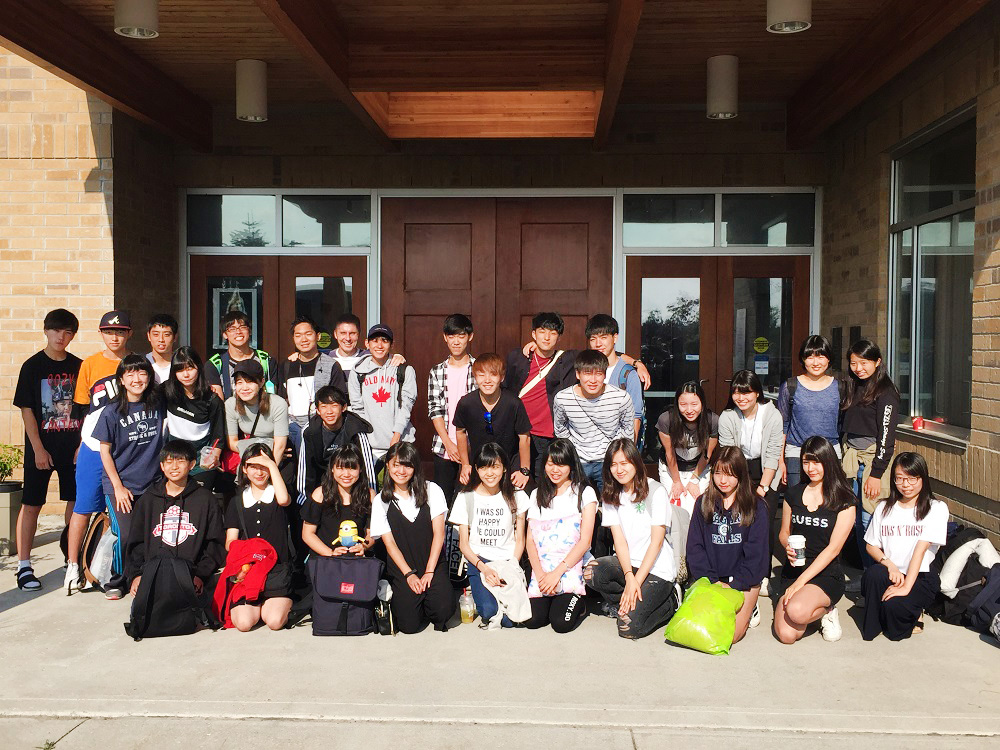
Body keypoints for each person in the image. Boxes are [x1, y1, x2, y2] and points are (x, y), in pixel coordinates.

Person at [504, 312, 648, 482]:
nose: (547, 337)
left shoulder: (569, 359)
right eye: (542, 332)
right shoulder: (519, 357)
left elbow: (605, 353)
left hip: (554, 439)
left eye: (552, 333)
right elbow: (506, 391)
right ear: (534, 334)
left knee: (553, 484)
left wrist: (636, 363)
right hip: (523, 435)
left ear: (559, 337)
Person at [12, 309, 81, 590]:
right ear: (45, 330)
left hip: (72, 447)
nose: (60, 337)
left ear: (73, 336)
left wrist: (81, 446)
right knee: (32, 503)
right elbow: (27, 411)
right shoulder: (32, 366)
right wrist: (38, 449)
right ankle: (24, 566)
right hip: (41, 448)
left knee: (75, 503)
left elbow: (87, 409)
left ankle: (71, 559)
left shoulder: (79, 366)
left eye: (67, 332)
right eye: (55, 330)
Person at [65, 310, 132, 594]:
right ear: (101, 334)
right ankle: (72, 565)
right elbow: (82, 408)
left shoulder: (136, 363)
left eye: (120, 331)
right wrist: (80, 443)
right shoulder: (90, 364)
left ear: (129, 334)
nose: (114, 337)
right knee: (83, 506)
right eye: (108, 332)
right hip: (93, 445)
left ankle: (114, 567)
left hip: (126, 447)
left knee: (123, 509)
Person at [584, 438, 678, 639]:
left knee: (628, 627)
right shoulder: (611, 494)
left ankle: (671, 601)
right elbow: (619, 541)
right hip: (628, 564)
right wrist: (629, 577)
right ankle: (626, 600)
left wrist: (637, 580)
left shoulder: (656, 491)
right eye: (613, 464)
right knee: (591, 572)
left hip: (656, 569)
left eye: (624, 463)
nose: (619, 470)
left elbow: (656, 543)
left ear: (635, 462)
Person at [93, 355, 166, 600]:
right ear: (122, 380)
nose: (137, 379)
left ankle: (144, 575)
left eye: (142, 373)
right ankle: (117, 579)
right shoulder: (111, 411)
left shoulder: (157, 403)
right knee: (124, 534)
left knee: (153, 532)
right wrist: (118, 487)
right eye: (130, 374)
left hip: (152, 483)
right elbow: (104, 451)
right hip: (121, 485)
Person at [773, 437, 856, 644]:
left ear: (828, 461)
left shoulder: (844, 500)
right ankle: (808, 607)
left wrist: (800, 583)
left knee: (797, 612)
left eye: (816, 462)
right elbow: (784, 532)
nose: (811, 468)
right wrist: (787, 545)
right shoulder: (793, 494)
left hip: (825, 573)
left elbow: (833, 549)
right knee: (787, 636)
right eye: (806, 462)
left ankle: (828, 610)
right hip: (795, 568)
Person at [125, 440, 225, 605]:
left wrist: (201, 575)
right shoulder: (148, 500)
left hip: (190, 576)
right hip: (154, 575)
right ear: (162, 466)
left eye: (180, 461)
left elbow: (215, 543)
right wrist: (137, 575)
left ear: (192, 464)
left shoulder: (206, 500)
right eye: (169, 462)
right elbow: (136, 543)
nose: (174, 467)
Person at [861, 452, 949, 641]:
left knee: (894, 611)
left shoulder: (936, 508)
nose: (905, 484)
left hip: (920, 577)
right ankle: (878, 617)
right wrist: (889, 565)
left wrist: (906, 587)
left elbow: (920, 549)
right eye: (900, 478)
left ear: (923, 478)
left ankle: (915, 612)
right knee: (873, 574)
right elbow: (871, 545)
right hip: (891, 573)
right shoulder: (884, 507)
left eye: (912, 478)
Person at [686, 446, 769, 645]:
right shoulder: (703, 502)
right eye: (718, 473)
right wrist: (712, 580)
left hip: (743, 581)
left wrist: (736, 584)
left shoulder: (756, 506)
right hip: (711, 579)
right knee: (701, 629)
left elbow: (757, 554)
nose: (723, 480)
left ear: (741, 474)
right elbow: (695, 548)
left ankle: (751, 605)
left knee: (728, 635)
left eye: (730, 474)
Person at [369, 442, 452, 633]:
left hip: (432, 563)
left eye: (407, 465)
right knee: (409, 626)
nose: (401, 471)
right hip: (402, 568)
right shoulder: (381, 500)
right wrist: (409, 575)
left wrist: (429, 571)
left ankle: (428, 600)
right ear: (388, 466)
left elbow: (439, 534)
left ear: (415, 467)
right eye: (396, 465)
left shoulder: (432, 490)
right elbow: (389, 544)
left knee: (443, 612)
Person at [449, 443, 530, 628]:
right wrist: (484, 569)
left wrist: (512, 566)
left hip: (509, 561)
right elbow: (464, 545)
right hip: (479, 561)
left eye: (495, 467)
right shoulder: (465, 497)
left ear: (504, 468)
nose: (490, 473)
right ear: (476, 469)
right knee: (489, 611)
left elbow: (520, 539)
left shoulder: (517, 496)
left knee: (513, 618)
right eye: (484, 467)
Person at [841, 339, 901, 585]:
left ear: (877, 362)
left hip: (872, 463)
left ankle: (878, 578)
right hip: (852, 459)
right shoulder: (853, 386)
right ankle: (866, 576)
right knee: (856, 521)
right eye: (854, 363)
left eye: (864, 362)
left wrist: (876, 473)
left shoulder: (886, 393)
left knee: (870, 521)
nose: (858, 368)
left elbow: (886, 436)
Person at [717, 370, 783, 588]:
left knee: (763, 524)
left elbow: (773, 453)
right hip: (738, 470)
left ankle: (763, 575)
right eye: (736, 392)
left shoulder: (772, 415)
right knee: (737, 522)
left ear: (757, 393)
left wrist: (763, 487)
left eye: (746, 392)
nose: (741, 397)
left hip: (765, 471)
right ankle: (736, 570)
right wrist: (738, 486)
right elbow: (728, 453)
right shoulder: (728, 416)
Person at [524, 438, 595, 633]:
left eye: (561, 464)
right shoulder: (536, 494)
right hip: (542, 570)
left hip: (570, 569)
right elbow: (530, 540)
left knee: (561, 623)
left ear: (571, 465)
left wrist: (556, 574)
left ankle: (580, 602)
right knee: (533, 620)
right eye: (550, 463)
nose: (555, 470)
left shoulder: (584, 493)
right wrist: (541, 576)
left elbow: (585, 541)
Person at [225, 444, 293, 632]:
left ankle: (271, 605)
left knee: (274, 621)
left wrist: (271, 464)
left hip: (276, 572)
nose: (259, 472)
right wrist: (245, 555)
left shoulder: (279, 493)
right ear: (244, 469)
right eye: (254, 466)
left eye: (264, 466)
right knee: (244, 623)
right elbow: (230, 541)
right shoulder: (236, 501)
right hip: (247, 571)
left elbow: (283, 500)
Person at [552, 349, 634, 491]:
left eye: (599, 374)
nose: (593, 380)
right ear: (578, 374)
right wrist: (573, 451)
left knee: (610, 501)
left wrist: (616, 457)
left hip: (609, 462)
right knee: (579, 502)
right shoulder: (563, 398)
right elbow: (560, 429)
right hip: (578, 462)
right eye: (587, 373)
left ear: (605, 374)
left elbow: (627, 430)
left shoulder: (621, 398)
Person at [455, 353, 531, 491]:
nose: (487, 380)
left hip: (509, 464)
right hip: (478, 463)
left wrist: (524, 470)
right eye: (481, 375)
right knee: (463, 496)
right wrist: (465, 464)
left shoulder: (513, 403)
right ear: (475, 377)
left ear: (502, 377)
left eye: (493, 375)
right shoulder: (466, 403)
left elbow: (524, 437)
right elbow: (460, 432)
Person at [778, 335, 844, 488]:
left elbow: (843, 423)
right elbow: (783, 426)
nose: (815, 363)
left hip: (830, 452)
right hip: (797, 453)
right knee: (797, 498)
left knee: (829, 500)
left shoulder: (840, 387)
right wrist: (780, 461)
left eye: (821, 357)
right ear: (803, 359)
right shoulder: (790, 387)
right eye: (810, 357)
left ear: (829, 359)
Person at [348, 324, 417, 469]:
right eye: (375, 340)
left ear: (392, 344)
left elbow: (406, 406)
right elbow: (357, 407)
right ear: (367, 343)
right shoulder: (358, 371)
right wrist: (365, 438)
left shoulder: (404, 370)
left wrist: (396, 437)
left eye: (384, 341)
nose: (379, 345)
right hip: (370, 446)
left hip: (400, 442)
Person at [277, 315, 347, 454]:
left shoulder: (331, 366)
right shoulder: (287, 365)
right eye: (298, 335)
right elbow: (281, 400)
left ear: (318, 336)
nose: (303, 339)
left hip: (321, 430)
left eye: (308, 334)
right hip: (292, 430)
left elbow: (339, 400)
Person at [297, 386, 377, 502]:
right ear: (318, 410)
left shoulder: (356, 430)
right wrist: (305, 501)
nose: (329, 412)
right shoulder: (310, 431)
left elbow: (367, 467)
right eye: (324, 407)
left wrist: (370, 499)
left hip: (350, 480)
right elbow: (306, 468)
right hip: (323, 481)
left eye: (334, 406)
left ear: (343, 407)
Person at [427, 313, 476, 502]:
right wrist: (448, 442)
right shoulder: (437, 371)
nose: (456, 341)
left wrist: (467, 447)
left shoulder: (479, 369)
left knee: (469, 498)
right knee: (442, 499)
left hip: (473, 446)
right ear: (445, 338)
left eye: (461, 336)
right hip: (444, 446)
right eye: (452, 336)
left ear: (470, 337)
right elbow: (435, 409)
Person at [162, 346, 225, 491]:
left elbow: (218, 436)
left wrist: (214, 457)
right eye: (180, 370)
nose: (186, 374)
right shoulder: (166, 391)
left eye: (190, 368)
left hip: (200, 463)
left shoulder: (212, 400)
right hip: (174, 460)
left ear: (199, 368)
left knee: (198, 499)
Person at [224, 358, 292, 489]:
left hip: (279, 455)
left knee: (279, 492)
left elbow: (280, 446)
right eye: (239, 382)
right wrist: (265, 450)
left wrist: (269, 471)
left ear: (261, 382)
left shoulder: (278, 404)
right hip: (252, 454)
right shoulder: (231, 404)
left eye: (250, 381)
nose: (244, 388)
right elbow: (232, 443)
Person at [302, 444, 375, 557]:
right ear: (332, 468)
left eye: (352, 468)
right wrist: (330, 553)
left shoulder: (369, 495)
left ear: (360, 469)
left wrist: (364, 546)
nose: (346, 474)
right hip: (325, 559)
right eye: (340, 468)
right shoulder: (320, 494)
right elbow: (308, 534)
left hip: (357, 560)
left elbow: (373, 533)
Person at [656, 381, 718, 513]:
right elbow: (669, 454)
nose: (689, 410)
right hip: (671, 468)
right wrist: (676, 481)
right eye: (683, 405)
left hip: (699, 468)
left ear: (702, 403)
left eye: (694, 404)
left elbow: (707, 454)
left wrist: (694, 480)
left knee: (696, 507)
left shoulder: (712, 421)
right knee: (675, 508)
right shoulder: (666, 419)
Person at [585, 314, 644, 443]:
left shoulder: (628, 374)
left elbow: (635, 416)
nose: (598, 344)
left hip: (618, 447)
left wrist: (629, 450)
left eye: (603, 338)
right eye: (593, 339)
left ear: (615, 337)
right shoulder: (585, 370)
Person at [205, 310, 278, 400]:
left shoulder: (266, 361)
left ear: (249, 331)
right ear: (225, 335)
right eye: (232, 329)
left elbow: (273, 397)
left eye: (242, 327)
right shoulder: (215, 364)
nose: (238, 332)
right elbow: (218, 403)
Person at [145, 313, 178, 384]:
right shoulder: (142, 364)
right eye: (156, 334)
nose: (161, 339)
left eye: (166, 335)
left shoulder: (181, 365)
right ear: (149, 336)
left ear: (175, 337)